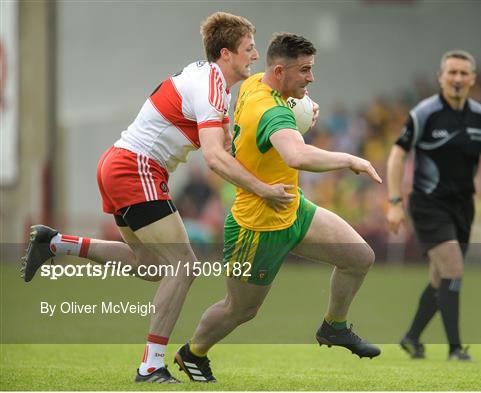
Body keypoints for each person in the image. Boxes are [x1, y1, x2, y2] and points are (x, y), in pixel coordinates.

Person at [20, 12, 296, 384]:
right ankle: (150, 366)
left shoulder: (208, 80)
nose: (255, 54)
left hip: (120, 163)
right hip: (136, 168)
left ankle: (55, 243)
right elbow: (215, 158)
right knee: (183, 265)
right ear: (227, 53)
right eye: (249, 48)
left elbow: (223, 147)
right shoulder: (212, 85)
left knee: (149, 264)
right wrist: (263, 189)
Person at [172, 33, 383, 383]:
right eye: (305, 71)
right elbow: (296, 155)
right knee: (240, 310)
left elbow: (281, 115)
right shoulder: (269, 110)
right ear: (281, 70)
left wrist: (303, 108)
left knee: (359, 257)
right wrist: (349, 158)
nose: (311, 78)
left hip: (291, 207)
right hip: (256, 227)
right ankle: (192, 352)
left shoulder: (257, 84)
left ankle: (334, 327)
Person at [386, 50, 481, 361]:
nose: (457, 78)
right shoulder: (424, 113)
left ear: (472, 79)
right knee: (453, 268)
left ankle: (411, 337)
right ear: (441, 77)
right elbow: (398, 155)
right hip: (428, 204)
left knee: (441, 278)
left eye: (463, 73)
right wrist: (395, 202)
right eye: (451, 73)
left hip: (463, 207)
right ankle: (455, 349)